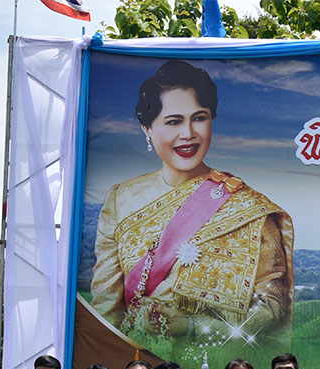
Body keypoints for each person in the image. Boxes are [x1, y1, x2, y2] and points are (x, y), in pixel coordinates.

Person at [89, 59, 293, 347]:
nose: (188, 133)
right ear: (147, 128)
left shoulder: (246, 206)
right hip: (137, 360)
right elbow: (105, 309)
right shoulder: (121, 199)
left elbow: (272, 306)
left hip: (214, 360)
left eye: (199, 118)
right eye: (173, 121)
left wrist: (192, 326)